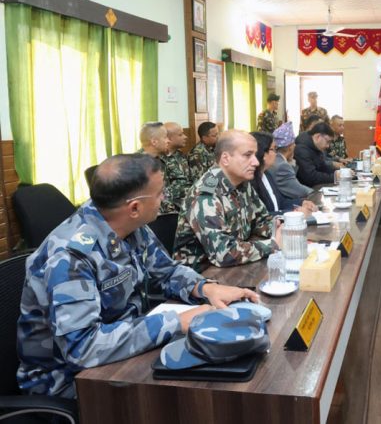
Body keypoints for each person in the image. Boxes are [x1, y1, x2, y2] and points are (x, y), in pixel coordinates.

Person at [16, 154, 258, 398]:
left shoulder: (128, 225)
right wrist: (176, 322)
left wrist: (204, 288)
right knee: (204, 396)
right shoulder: (71, 258)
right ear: (134, 207)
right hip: (70, 383)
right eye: (160, 193)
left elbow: (166, 271)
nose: (165, 199)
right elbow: (83, 348)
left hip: (121, 353)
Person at [174, 130, 282, 272]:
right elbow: (224, 253)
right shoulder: (206, 193)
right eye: (247, 155)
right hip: (201, 274)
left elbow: (261, 221)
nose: (256, 162)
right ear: (225, 159)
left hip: (234, 266)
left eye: (255, 155)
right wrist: (273, 244)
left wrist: (280, 229)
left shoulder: (242, 183)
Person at [248, 131, 316, 215]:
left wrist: (302, 202)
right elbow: (261, 216)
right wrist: (294, 213)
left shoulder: (267, 174)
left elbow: (280, 203)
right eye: (273, 149)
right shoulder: (251, 181)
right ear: (264, 154)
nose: (276, 154)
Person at [138, 122, 176, 214]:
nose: (168, 141)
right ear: (154, 142)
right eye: (165, 137)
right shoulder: (137, 165)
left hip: (166, 213)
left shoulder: (161, 160)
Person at [271, 123, 314, 200]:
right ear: (290, 147)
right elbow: (299, 191)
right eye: (294, 143)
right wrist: (316, 193)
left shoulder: (277, 160)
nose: (295, 146)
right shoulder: (282, 166)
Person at [162, 122, 193, 213]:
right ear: (169, 138)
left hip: (188, 205)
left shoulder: (180, 156)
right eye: (180, 135)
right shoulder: (160, 159)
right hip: (172, 210)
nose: (185, 137)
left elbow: (190, 180)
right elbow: (164, 192)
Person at [294, 122, 338, 187]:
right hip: (305, 190)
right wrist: (334, 177)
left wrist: (340, 172)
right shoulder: (301, 150)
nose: (328, 146)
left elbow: (323, 167)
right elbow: (310, 177)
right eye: (328, 142)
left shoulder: (315, 147)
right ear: (318, 137)